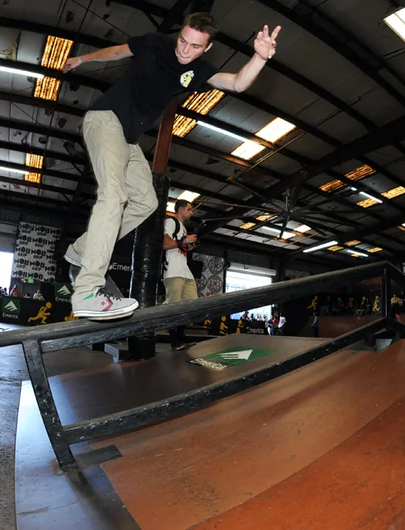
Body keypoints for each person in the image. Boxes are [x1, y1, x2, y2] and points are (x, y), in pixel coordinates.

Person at [61, 12, 281, 320]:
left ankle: (82, 249)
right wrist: (83, 60)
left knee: (146, 201)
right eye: (182, 41)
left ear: (206, 48)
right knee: (114, 196)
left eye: (194, 46)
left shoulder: (201, 70)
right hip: (105, 119)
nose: (184, 50)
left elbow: (236, 83)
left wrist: (259, 58)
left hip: (128, 139)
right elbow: (116, 52)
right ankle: (87, 291)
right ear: (178, 34)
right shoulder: (156, 44)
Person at [162, 200, 198, 350]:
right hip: (173, 270)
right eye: (189, 209)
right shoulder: (171, 222)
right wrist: (185, 240)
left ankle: (181, 335)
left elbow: (179, 246)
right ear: (181, 209)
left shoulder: (182, 227)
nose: (192, 212)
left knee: (191, 303)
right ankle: (175, 340)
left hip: (184, 269)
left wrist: (188, 246)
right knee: (174, 305)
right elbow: (164, 244)